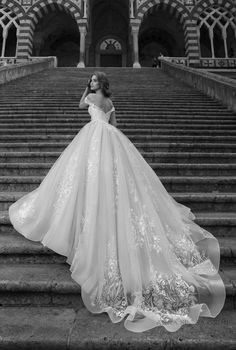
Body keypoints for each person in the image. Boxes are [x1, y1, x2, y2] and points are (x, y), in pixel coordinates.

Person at [8, 71, 226, 333]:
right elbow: (116, 125)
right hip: (111, 139)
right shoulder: (111, 103)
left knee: (86, 176)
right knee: (108, 179)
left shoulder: (89, 97)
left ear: (99, 84)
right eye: (90, 80)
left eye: (94, 80)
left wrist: (85, 92)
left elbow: (80, 106)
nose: (91, 83)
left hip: (93, 138)